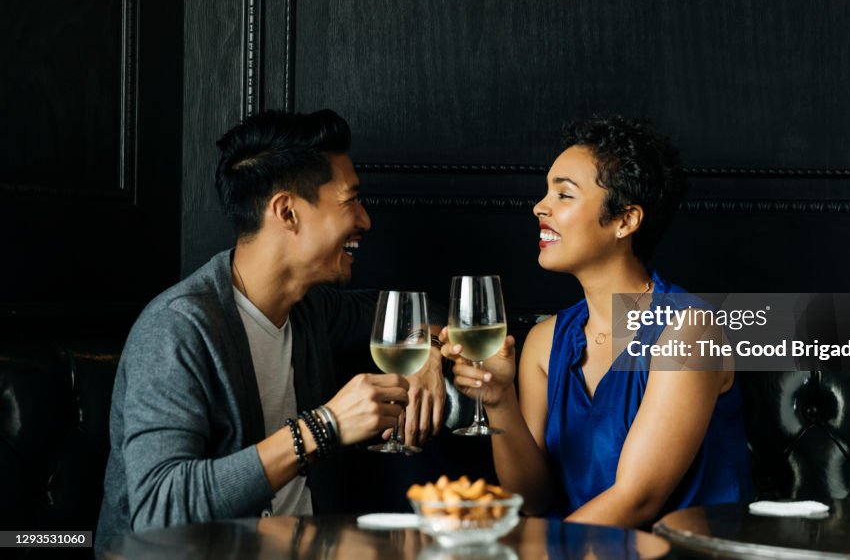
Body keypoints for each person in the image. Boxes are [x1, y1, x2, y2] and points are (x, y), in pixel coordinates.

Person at [96, 110, 450, 555]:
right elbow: (160, 509)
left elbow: (426, 311)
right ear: (287, 211)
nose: (365, 220)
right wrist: (326, 426)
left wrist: (428, 352)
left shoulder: (312, 309)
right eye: (350, 201)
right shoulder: (178, 328)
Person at [442, 115, 751, 528]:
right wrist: (499, 400)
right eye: (546, 191)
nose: (540, 206)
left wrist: (523, 556)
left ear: (625, 220)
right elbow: (531, 500)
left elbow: (637, 501)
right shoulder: (543, 340)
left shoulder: (690, 330)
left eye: (563, 195)